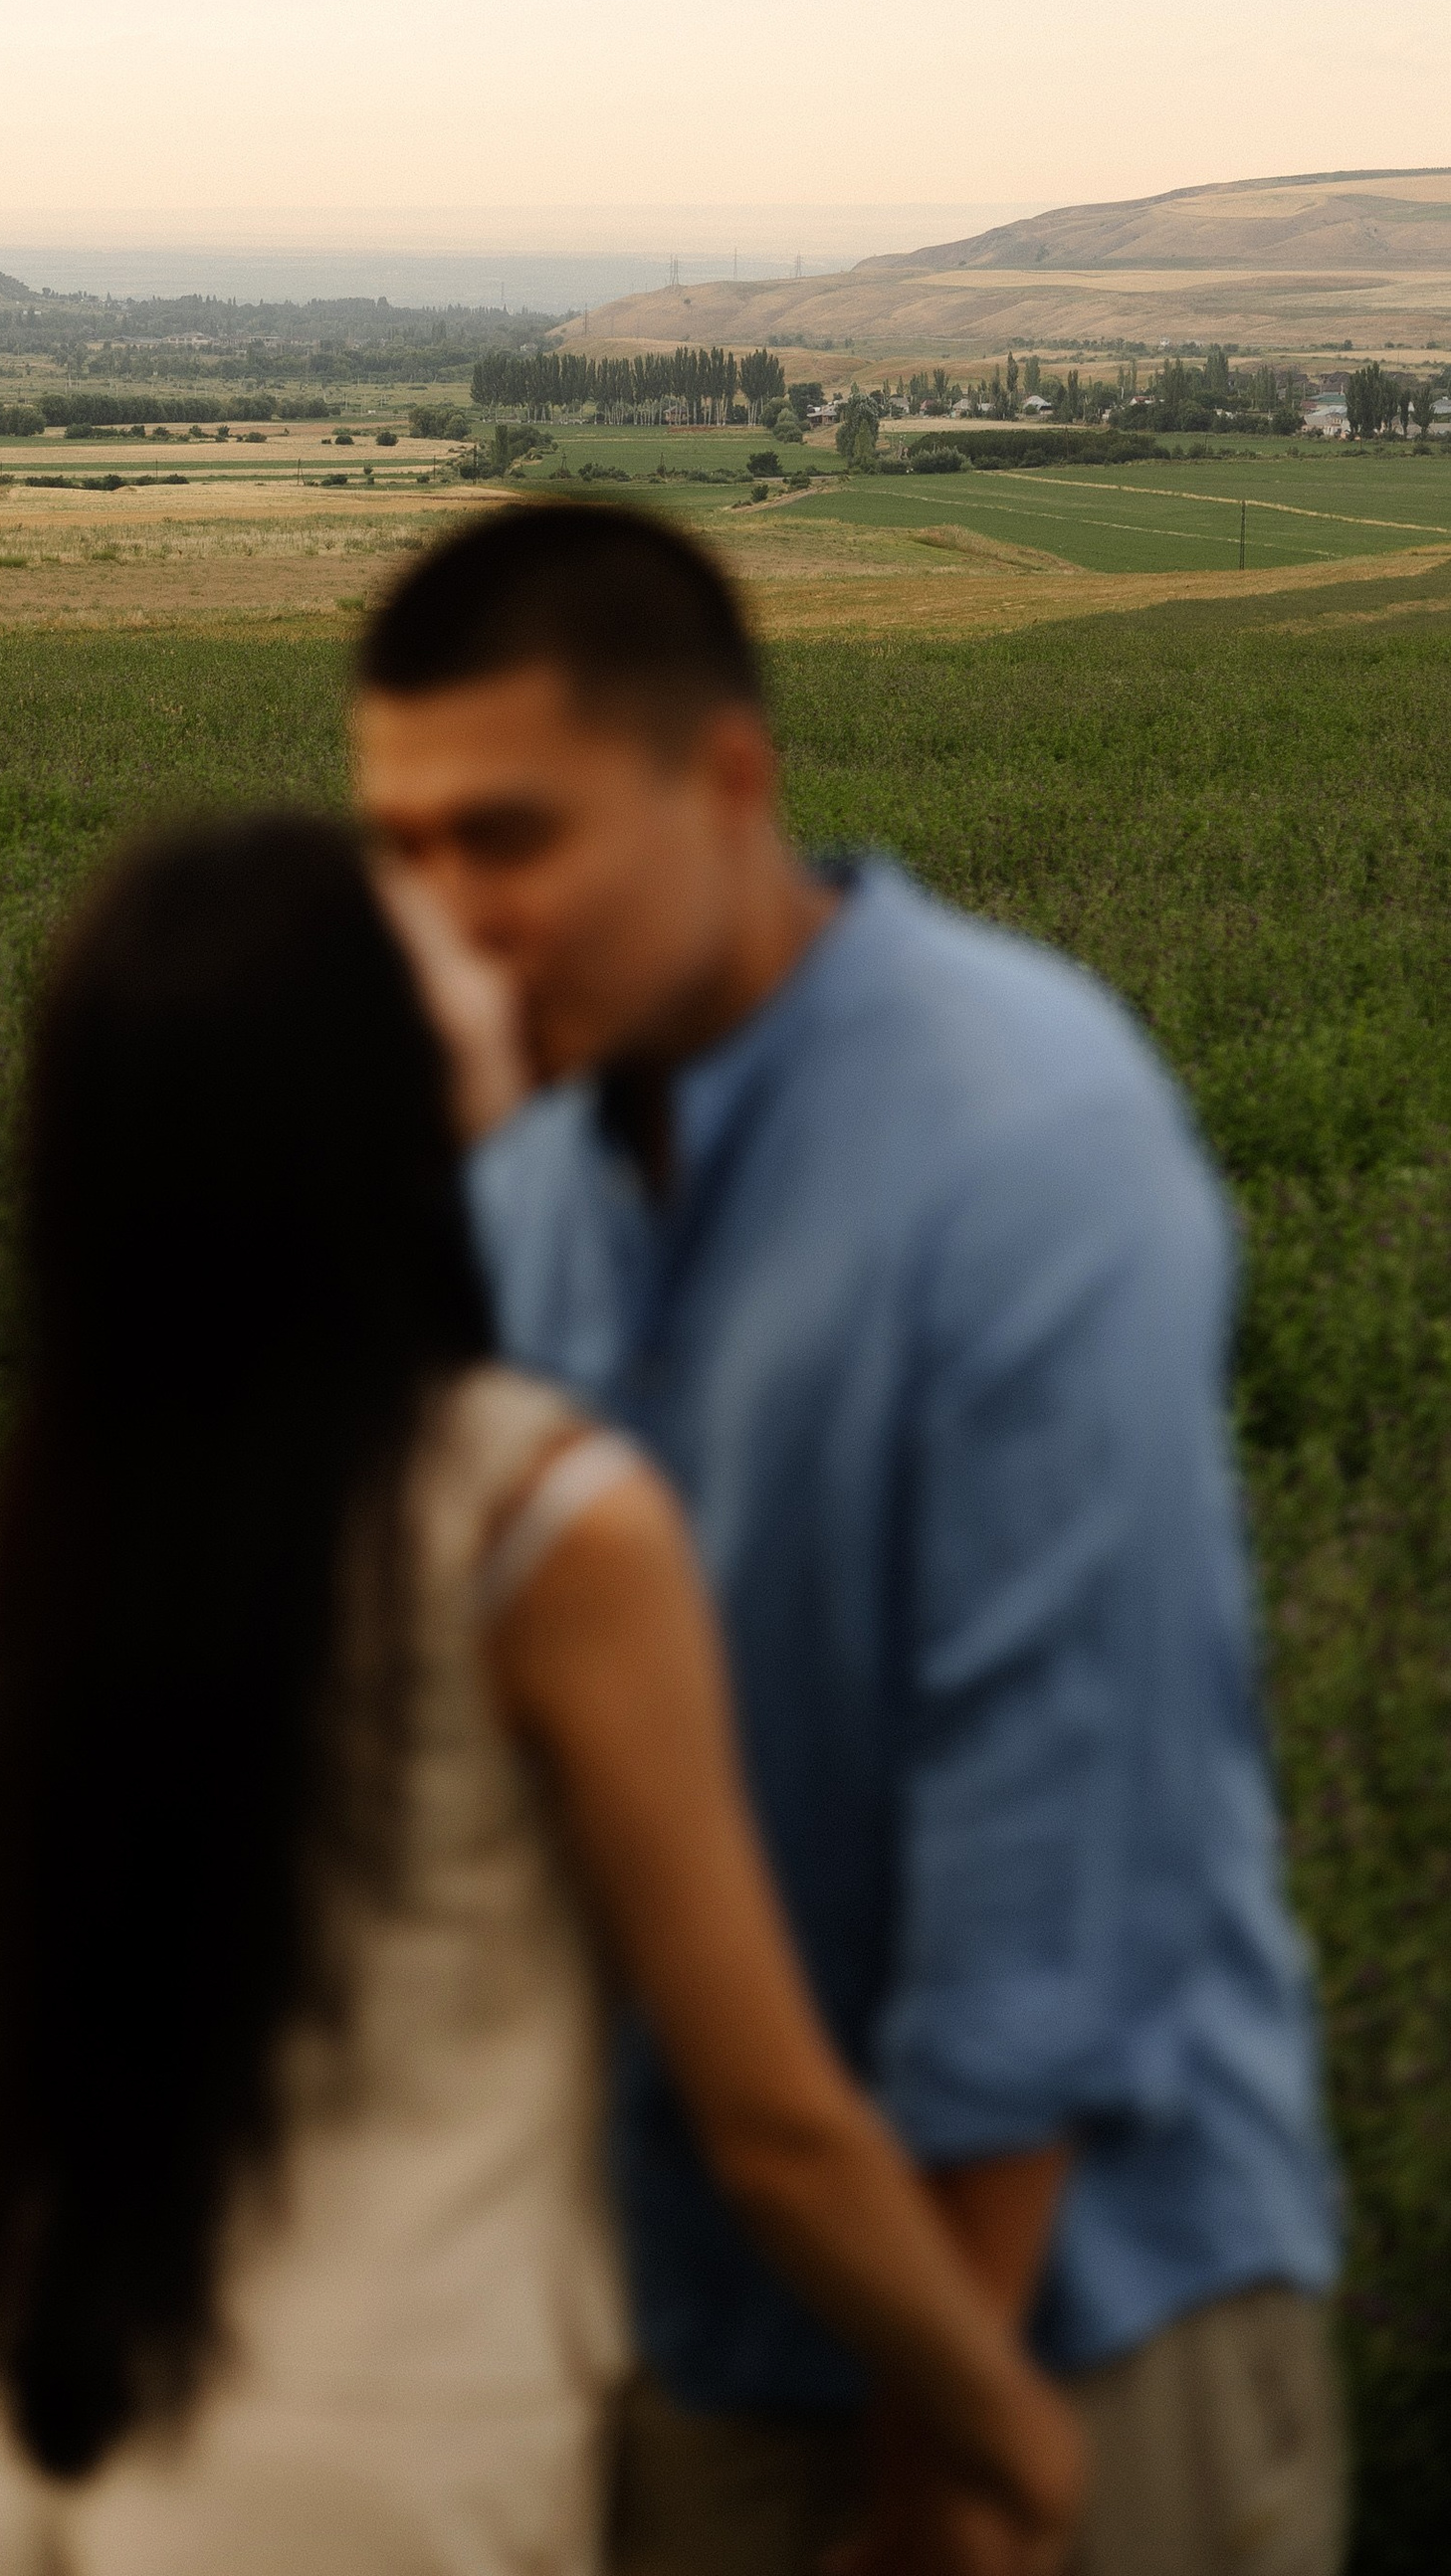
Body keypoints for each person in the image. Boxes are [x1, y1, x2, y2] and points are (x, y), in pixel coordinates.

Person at [355, 500, 1344, 2576]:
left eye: (508, 838)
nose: (452, 918)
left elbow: (1039, 1896)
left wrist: (942, 2472)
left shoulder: (1020, 1147)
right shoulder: (518, 1173)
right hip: (681, 2314)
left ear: (726, 781)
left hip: (1065, 2334)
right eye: (404, 850)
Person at [0, 815, 1081, 2576]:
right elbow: (773, 2127)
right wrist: (1011, 2433)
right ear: (361, 1079)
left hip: (50, 2417)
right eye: (438, 954)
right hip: (391, 2446)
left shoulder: (97, 1488)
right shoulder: (541, 1520)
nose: (499, 962)